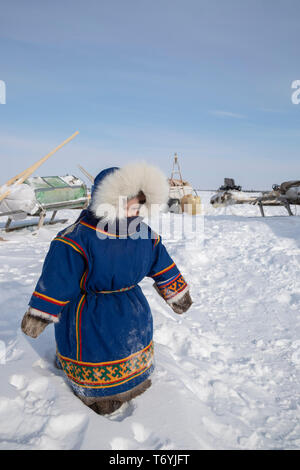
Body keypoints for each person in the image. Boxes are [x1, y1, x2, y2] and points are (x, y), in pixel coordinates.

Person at [21, 162, 192, 415]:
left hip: (132, 310)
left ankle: (135, 380)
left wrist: (177, 293)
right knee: (95, 356)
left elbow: (161, 262)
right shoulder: (76, 238)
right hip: (91, 315)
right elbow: (57, 279)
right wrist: (39, 315)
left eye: (140, 202)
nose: (135, 209)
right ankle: (98, 394)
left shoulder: (143, 234)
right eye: (129, 202)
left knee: (132, 349)